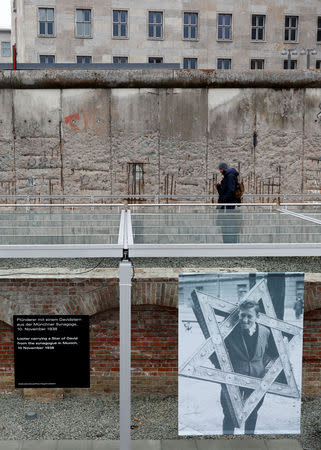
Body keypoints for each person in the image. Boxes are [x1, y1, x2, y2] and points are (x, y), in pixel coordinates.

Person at [214, 300, 277, 435]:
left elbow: (273, 354)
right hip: (231, 380)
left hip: (257, 381)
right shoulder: (228, 331)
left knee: (252, 414)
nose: (245, 320)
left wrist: (267, 370)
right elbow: (213, 353)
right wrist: (223, 371)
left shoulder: (266, 332)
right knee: (229, 415)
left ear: (257, 317)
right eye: (242, 315)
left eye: (249, 316)